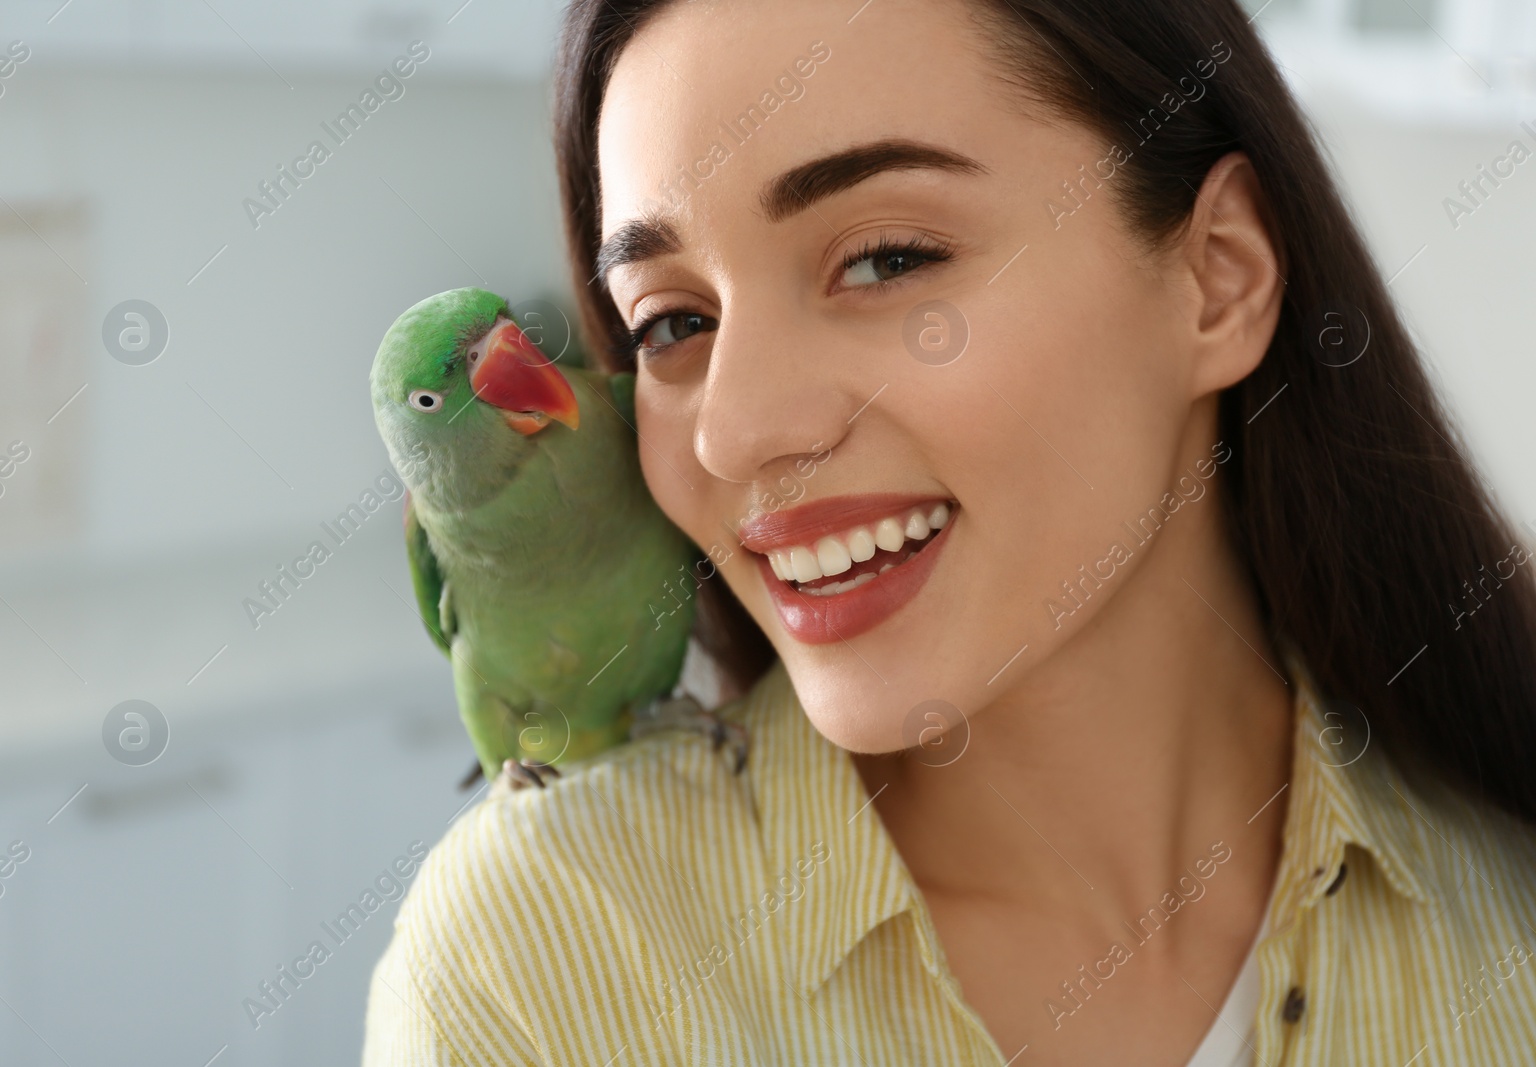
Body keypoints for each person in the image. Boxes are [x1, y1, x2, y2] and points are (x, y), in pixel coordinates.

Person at [363, 0, 1536, 1063]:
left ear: (1217, 277)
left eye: (885, 259)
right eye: (673, 322)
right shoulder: (528, 980)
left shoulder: (1509, 936)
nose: (737, 429)